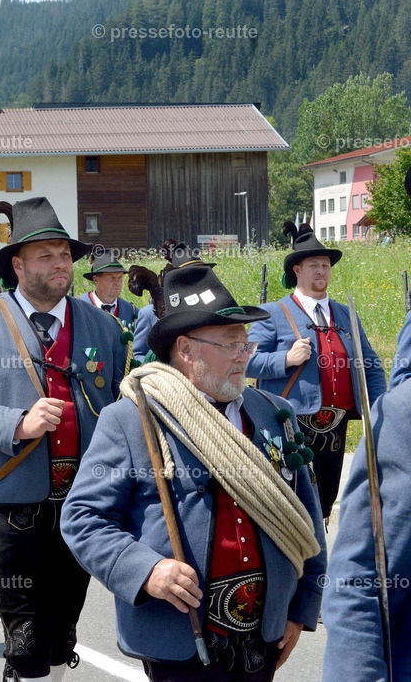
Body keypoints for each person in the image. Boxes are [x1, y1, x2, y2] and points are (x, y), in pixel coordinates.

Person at [64, 265, 327, 681]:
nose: (244, 355)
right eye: (230, 344)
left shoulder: (275, 414)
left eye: (246, 344)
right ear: (185, 349)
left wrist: (301, 609)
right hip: (179, 636)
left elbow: (305, 520)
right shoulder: (132, 419)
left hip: (264, 632)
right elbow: (83, 520)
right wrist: (146, 571)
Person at [0, 197, 128, 682]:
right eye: (46, 255)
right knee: (26, 641)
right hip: (6, 504)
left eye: (64, 254)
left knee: (62, 637)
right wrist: (16, 423)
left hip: (82, 506)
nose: (60, 263)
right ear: (17, 264)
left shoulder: (103, 327)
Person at [246, 222, 385, 524]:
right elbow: (246, 361)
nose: (321, 271)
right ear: (297, 270)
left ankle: (319, 561)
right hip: (292, 423)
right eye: (314, 266)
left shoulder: (346, 314)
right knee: (295, 501)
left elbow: (370, 363)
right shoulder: (273, 313)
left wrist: (380, 410)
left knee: (325, 501)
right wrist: (286, 359)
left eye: (325, 265)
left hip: (336, 424)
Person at [321, 378, 411, 680]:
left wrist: (370, 403)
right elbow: (359, 576)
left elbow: (373, 369)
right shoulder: (404, 412)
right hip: (306, 424)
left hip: (335, 428)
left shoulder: (346, 326)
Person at [79, 246, 138, 331]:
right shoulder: (79, 307)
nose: (117, 283)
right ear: (96, 279)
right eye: (112, 278)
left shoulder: (132, 312)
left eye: (120, 277)